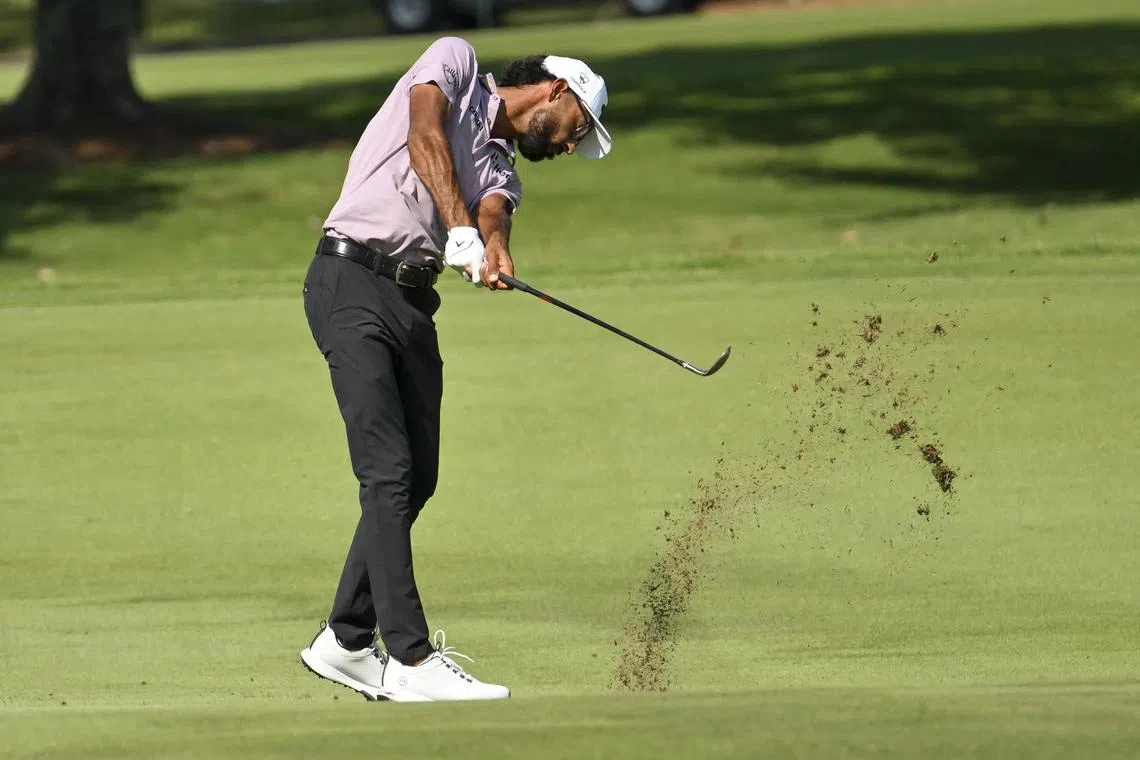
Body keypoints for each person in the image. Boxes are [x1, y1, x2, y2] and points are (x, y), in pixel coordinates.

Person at [297, 36, 613, 703]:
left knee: (418, 477)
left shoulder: (503, 169)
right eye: (576, 129)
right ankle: (410, 658)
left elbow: (494, 208)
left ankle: (345, 640)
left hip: (412, 303)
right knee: (387, 472)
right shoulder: (456, 63)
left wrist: (491, 246)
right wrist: (458, 230)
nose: (568, 146)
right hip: (350, 279)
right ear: (556, 90)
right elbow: (425, 136)